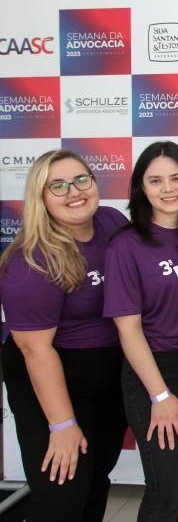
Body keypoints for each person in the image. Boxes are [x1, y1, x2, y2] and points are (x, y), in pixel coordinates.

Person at [0, 150, 128, 522]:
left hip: (109, 378)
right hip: (53, 381)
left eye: (80, 180)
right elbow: (35, 350)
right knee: (62, 495)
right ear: (40, 197)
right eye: (57, 186)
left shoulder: (112, 222)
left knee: (96, 481)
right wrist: (62, 425)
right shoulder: (30, 261)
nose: (74, 192)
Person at [103, 141, 178, 522]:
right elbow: (128, 329)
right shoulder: (126, 245)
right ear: (141, 186)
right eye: (155, 180)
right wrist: (160, 395)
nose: (168, 188)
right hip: (157, 372)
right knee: (167, 490)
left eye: (176, 178)